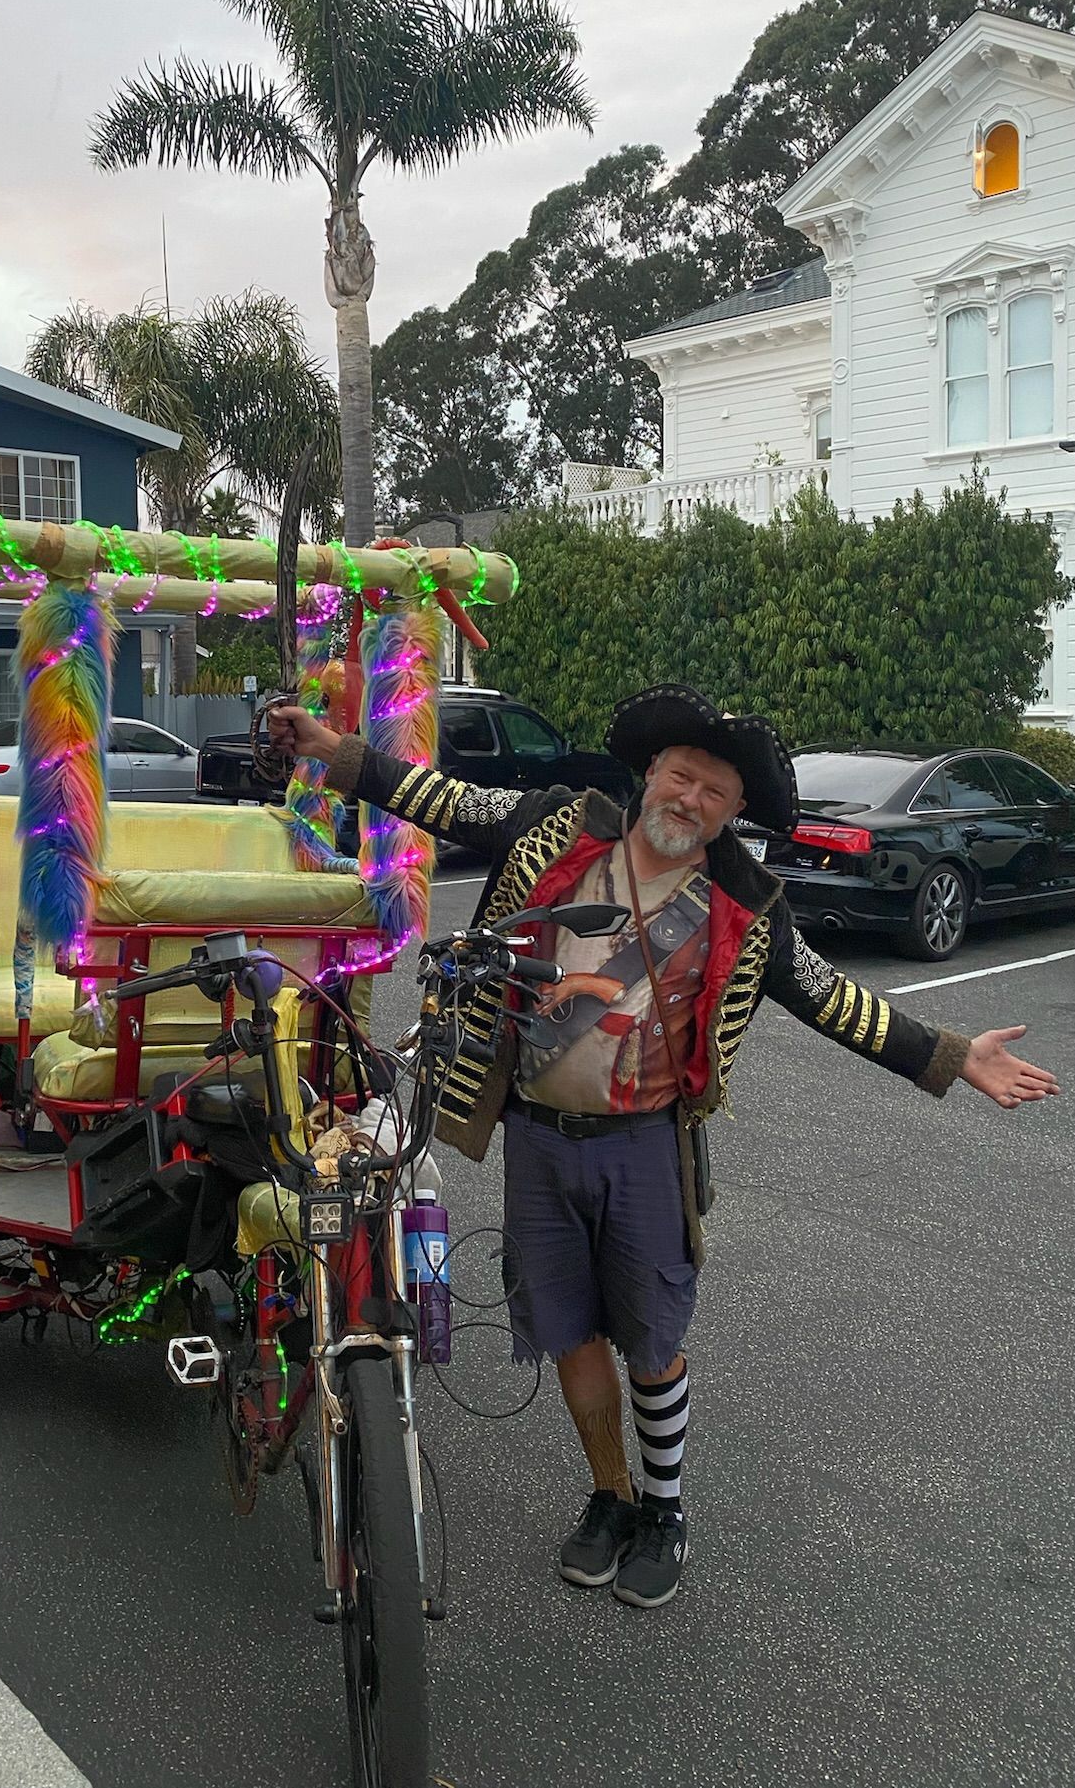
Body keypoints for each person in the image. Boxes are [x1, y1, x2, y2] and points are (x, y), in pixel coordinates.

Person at [268, 684, 1058, 1609]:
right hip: (536, 1136)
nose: (690, 799)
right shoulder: (555, 827)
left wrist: (953, 1057)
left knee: (650, 1339)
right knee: (566, 1332)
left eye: (715, 792)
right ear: (650, 773)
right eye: (681, 776)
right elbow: (443, 797)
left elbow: (831, 998)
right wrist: (331, 749)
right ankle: (608, 1494)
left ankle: (665, 1508)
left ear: (731, 812)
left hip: (646, 1146)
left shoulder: (745, 906)